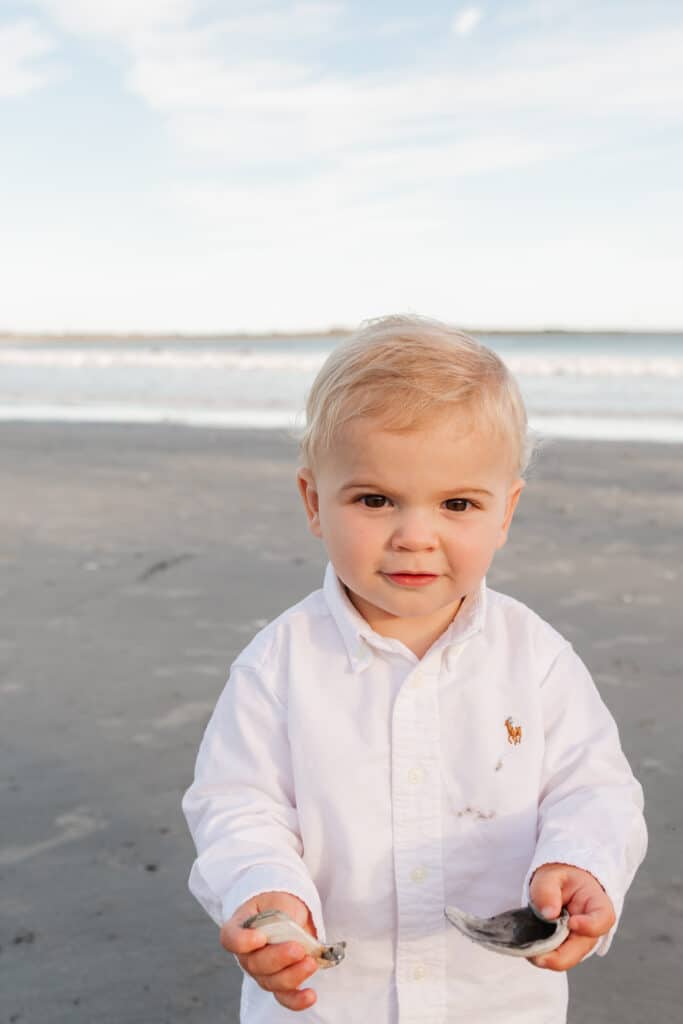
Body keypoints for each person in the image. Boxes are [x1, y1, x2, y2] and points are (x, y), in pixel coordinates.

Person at [182, 315, 647, 1023]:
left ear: (505, 512)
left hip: (493, 1001)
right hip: (330, 1000)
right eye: (374, 500)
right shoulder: (280, 662)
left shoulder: (536, 657)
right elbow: (237, 803)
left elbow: (593, 788)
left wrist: (582, 865)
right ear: (314, 501)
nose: (414, 536)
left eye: (456, 504)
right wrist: (265, 890)